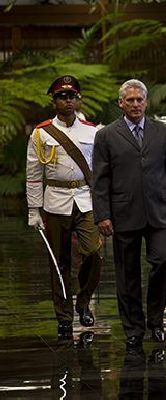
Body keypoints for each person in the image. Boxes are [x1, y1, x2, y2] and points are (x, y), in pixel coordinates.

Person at [92, 79, 166, 349]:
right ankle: (133, 328)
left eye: (139, 100)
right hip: (123, 212)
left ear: (146, 102)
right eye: (130, 100)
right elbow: (100, 179)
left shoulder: (163, 132)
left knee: (163, 262)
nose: (135, 104)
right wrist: (102, 214)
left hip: (160, 211)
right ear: (120, 103)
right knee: (127, 274)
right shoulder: (107, 135)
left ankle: (155, 320)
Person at [26, 75, 102, 340]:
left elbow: (100, 170)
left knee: (94, 252)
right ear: (54, 99)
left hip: (85, 198)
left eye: (71, 96)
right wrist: (33, 210)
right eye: (61, 96)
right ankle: (64, 317)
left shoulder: (92, 131)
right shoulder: (41, 133)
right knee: (59, 263)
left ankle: (83, 302)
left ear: (77, 99)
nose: (67, 100)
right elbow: (34, 174)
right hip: (55, 200)